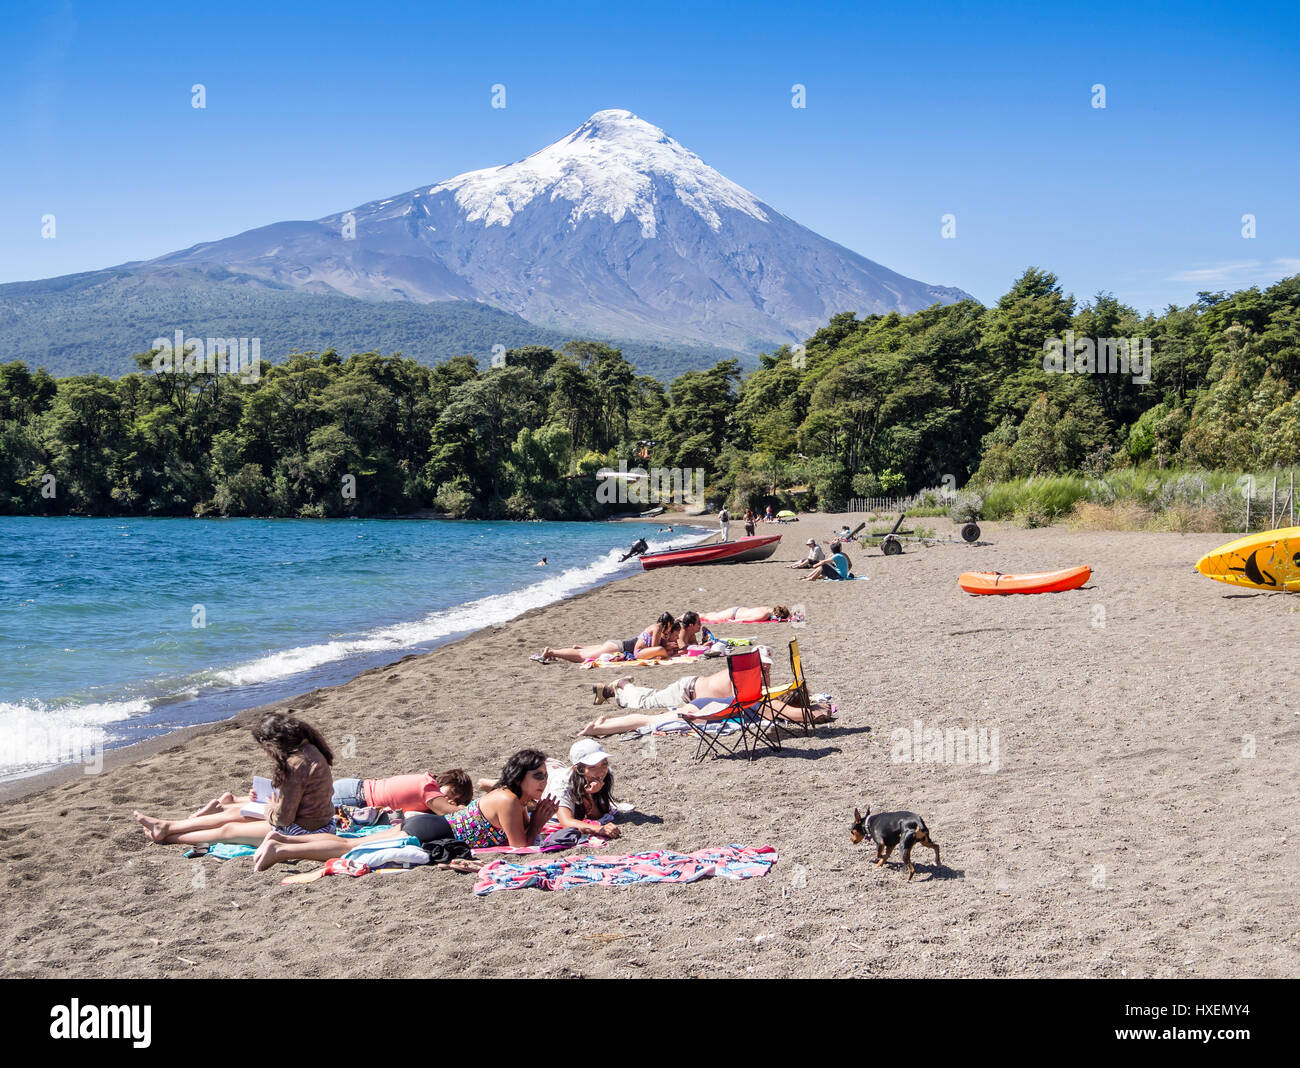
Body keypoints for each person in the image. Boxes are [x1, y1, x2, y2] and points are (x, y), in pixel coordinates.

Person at [251, 750, 559, 871]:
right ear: (520, 777)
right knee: (349, 849)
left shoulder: (512, 799)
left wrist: (536, 816)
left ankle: (284, 842)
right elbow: (521, 846)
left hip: (430, 827)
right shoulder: (507, 801)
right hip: (431, 833)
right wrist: (540, 820)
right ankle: (278, 850)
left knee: (351, 844)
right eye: (539, 776)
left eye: (545, 776)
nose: (543, 783)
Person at [134, 712, 337, 846]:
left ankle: (170, 837)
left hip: (304, 830)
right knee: (235, 811)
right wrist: (270, 799)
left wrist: (269, 807)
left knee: (229, 830)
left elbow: (283, 818)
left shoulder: (295, 764)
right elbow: (300, 794)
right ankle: (168, 826)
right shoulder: (310, 749)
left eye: (266, 749)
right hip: (318, 822)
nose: (266, 754)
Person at [546, 739, 621, 840]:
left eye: (604, 764)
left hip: (558, 768)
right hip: (546, 773)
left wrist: (589, 796)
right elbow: (566, 822)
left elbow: (597, 815)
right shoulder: (561, 785)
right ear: (578, 769)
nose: (600, 772)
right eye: (593, 767)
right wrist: (599, 829)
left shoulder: (606, 774)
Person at [331, 769, 472, 815]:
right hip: (353, 798)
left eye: (456, 799)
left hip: (352, 788)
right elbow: (457, 815)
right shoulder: (429, 789)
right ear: (447, 782)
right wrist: (457, 806)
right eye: (452, 792)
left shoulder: (425, 780)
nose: (449, 797)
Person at [698, 605, 792, 623]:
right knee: (711, 617)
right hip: (734, 614)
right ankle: (694, 615)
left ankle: (698, 614)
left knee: (713, 614)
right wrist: (733, 621)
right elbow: (747, 620)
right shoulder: (764, 615)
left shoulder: (768, 608)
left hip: (739, 610)